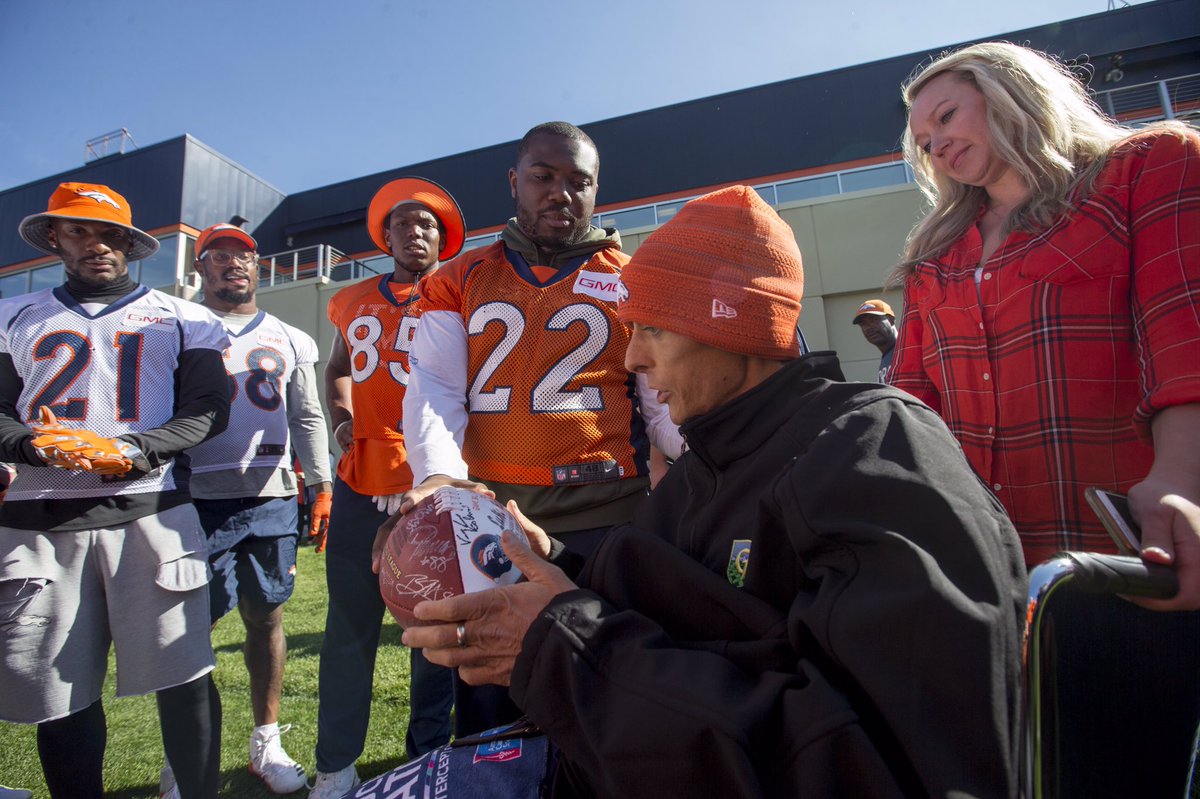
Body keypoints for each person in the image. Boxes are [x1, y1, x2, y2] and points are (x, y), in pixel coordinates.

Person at [396, 185, 1027, 798]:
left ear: (729, 325)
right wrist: (556, 565)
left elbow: (877, 762)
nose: (631, 359)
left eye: (651, 330)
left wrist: (562, 649)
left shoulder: (874, 450)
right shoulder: (709, 466)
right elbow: (685, 611)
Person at [393, 121, 681, 737]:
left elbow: (660, 405)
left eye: (579, 182)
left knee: (608, 690)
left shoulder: (636, 279)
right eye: (544, 178)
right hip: (498, 521)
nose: (561, 194)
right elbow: (437, 389)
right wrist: (441, 475)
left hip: (611, 516)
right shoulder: (460, 277)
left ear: (597, 190)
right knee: (497, 699)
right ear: (514, 182)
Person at [888, 42, 1200, 610]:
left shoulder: (1143, 168)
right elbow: (913, 401)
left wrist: (1181, 478)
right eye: (926, 143)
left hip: (1129, 551)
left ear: (1010, 90)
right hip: (987, 568)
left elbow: (1184, 333)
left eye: (947, 116)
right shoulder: (933, 256)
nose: (938, 147)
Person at [0, 183, 229, 799]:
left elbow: (208, 410)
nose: (96, 244)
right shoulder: (9, 315)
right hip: (40, 520)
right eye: (78, 231)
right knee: (60, 692)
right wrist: (32, 445)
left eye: (110, 234)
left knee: (185, 677)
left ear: (131, 243)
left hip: (151, 513)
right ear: (54, 237)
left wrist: (135, 448)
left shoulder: (188, 316)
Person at [307, 178, 466, 799]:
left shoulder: (460, 292)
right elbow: (337, 367)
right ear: (386, 234)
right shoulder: (349, 299)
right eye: (404, 223)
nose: (415, 231)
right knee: (349, 628)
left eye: (427, 224)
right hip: (361, 480)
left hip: (435, 480)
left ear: (442, 236)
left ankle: (426, 754)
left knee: (436, 630)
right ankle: (336, 764)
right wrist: (343, 421)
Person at [184, 223, 333, 794]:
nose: (234, 265)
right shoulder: (180, 324)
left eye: (243, 256)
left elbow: (308, 416)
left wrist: (321, 482)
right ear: (202, 267)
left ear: (258, 267)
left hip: (269, 493)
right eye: (219, 256)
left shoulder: (290, 336)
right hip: (196, 495)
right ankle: (187, 753)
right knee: (194, 624)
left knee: (267, 615)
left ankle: (266, 741)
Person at [851, 298, 897, 381]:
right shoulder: (887, 357)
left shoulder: (909, 350)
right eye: (863, 324)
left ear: (891, 320)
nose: (869, 327)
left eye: (874, 320)